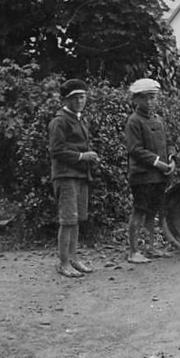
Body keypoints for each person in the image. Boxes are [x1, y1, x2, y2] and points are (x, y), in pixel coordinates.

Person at [48, 78, 100, 278]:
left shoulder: (79, 119)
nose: (80, 101)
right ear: (66, 100)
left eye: (82, 97)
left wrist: (88, 158)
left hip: (80, 174)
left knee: (76, 219)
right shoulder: (59, 121)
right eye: (75, 98)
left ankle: (73, 258)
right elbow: (57, 150)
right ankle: (63, 262)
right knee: (67, 220)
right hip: (65, 175)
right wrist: (81, 156)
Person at [124, 78, 176, 264]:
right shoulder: (134, 121)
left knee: (154, 211)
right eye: (144, 98)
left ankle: (151, 247)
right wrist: (157, 162)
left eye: (152, 97)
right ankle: (133, 251)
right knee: (139, 211)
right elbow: (135, 150)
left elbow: (169, 142)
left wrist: (171, 159)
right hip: (142, 177)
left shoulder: (158, 119)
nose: (149, 102)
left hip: (159, 176)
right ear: (135, 100)